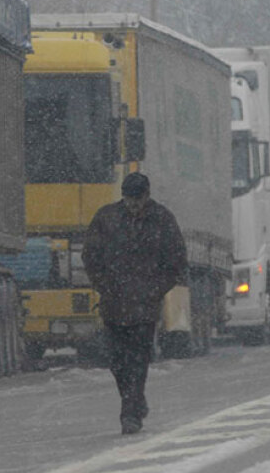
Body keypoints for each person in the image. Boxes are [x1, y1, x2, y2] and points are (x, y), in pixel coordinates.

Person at [82, 172, 188, 435]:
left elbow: (176, 262)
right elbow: (90, 256)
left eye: (137, 200)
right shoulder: (106, 218)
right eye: (129, 200)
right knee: (116, 361)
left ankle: (129, 413)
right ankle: (135, 401)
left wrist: (154, 290)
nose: (133, 205)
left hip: (144, 307)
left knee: (139, 360)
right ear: (123, 197)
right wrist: (104, 286)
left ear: (147, 196)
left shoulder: (163, 220)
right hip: (114, 304)